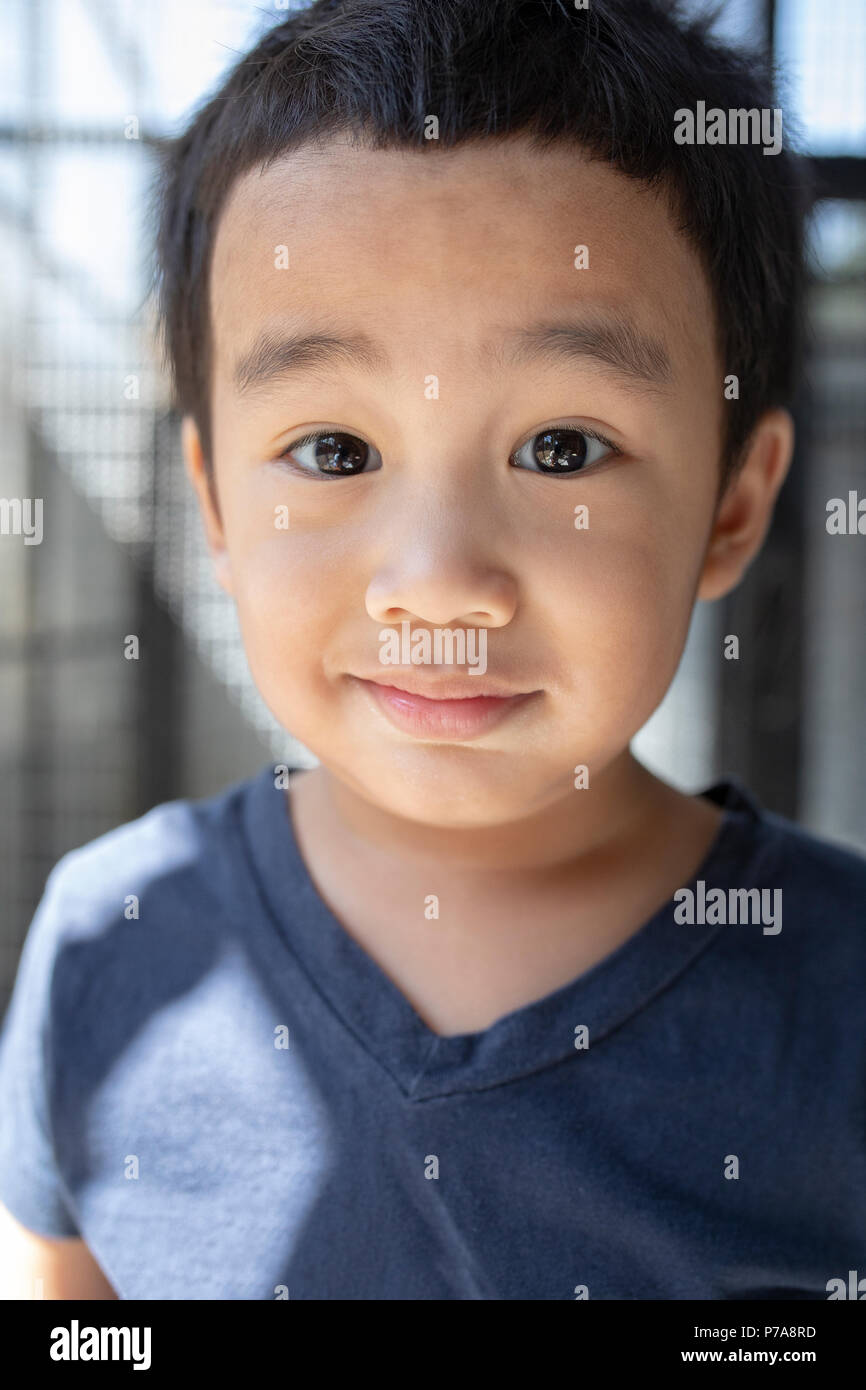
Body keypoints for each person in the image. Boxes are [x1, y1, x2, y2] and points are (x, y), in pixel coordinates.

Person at [1, 0, 864, 1301]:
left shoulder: (841, 994)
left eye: (561, 449)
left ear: (731, 504)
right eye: (334, 452)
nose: (438, 580)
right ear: (218, 504)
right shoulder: (110, 940)